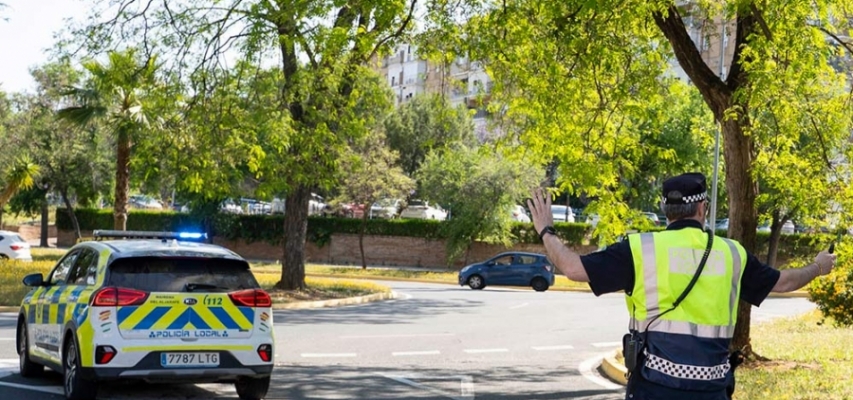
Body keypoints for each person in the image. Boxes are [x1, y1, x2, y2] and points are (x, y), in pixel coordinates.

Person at [526, 172, 836, 400]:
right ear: (702, 209)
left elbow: (571, 267)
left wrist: (546, 230)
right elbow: (784, 282)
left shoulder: (640, 249)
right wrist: (818, 267)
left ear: (665, 210)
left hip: (654, 388)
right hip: (712, 390)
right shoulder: (731, 254)